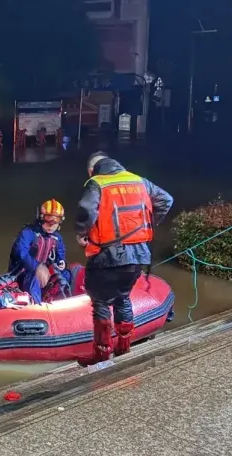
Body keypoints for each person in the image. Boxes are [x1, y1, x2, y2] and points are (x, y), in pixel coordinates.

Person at [75, 151, 173, 367]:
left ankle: (101, 353)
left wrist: (82, 233)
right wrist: (146, 225)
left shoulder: (97, 183)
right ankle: (123, 348)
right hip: (138, 255)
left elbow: (86, 210)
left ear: (92, 170)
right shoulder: (139, 181)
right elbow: (166, 200)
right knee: (123, 297)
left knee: (100, 302)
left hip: (106, 255)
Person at [9, 199, 72, 304]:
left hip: (45, 274)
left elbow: (61, 256)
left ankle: (60, 301)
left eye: (56, 221)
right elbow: (20, 252)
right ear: (41, 218)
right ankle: (37, 306)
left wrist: (62, 263)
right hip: (24, 273)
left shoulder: (57, 238)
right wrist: (37, 267)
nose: (51, 225)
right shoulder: (28, 233)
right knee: (33, 279)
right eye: (48, 220)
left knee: (65, 274)